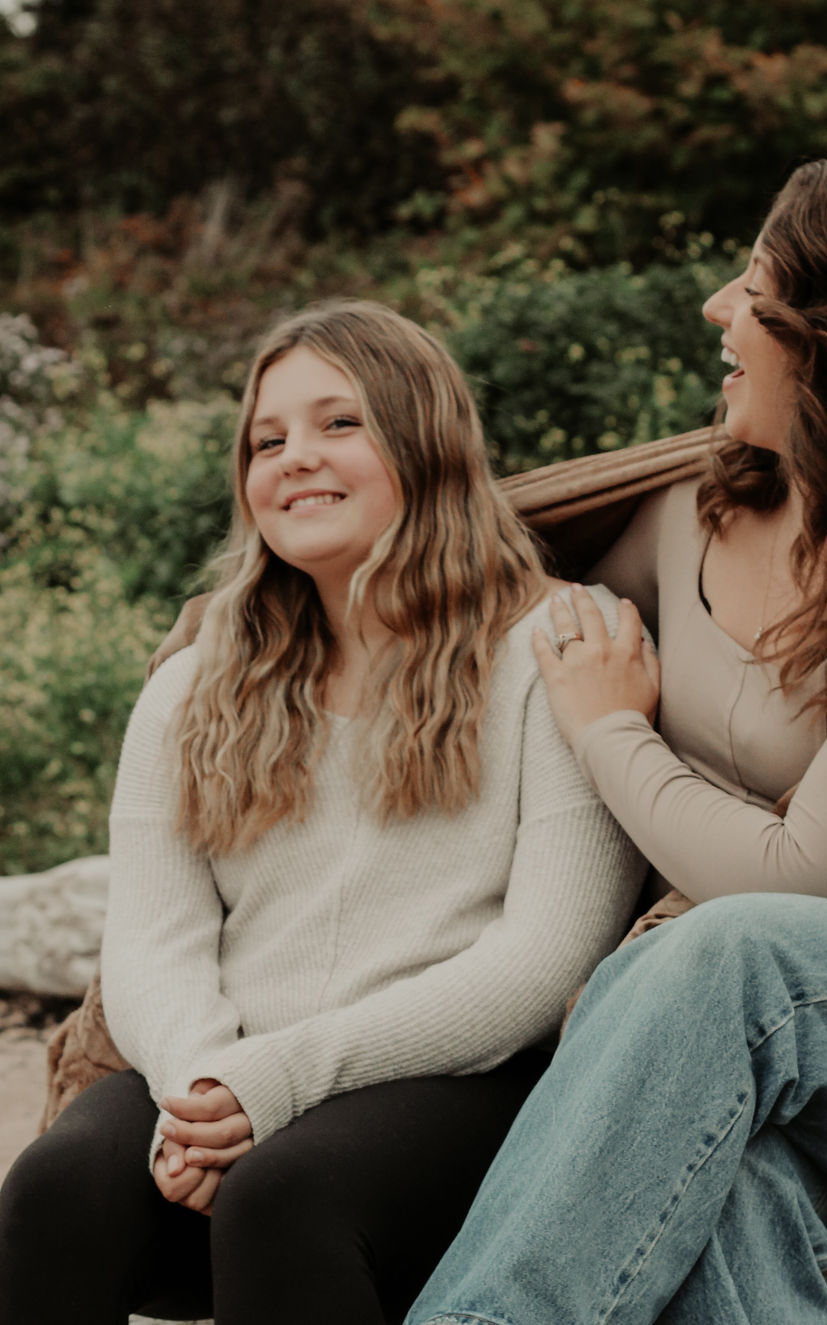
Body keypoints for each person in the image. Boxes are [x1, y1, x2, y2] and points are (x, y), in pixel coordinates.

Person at [404, 159, 827, 1325]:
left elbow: (805, 880)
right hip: (769, 1042)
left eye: (754, 283)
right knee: (712, 1191)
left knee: (727, 956)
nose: (715, 308)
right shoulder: (691, 509)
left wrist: (610, 729)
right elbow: (485, 623)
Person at [0, 299, 645, 1324]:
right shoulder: (193, 683)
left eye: (338, 423)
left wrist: (279, 1079)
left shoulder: (557, 649)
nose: (294, 456)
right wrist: (204, 1087)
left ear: (424, 440)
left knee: (284, 1191)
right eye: (267, 439)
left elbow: (543, 959)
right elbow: (152, 945)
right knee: (57, 1180)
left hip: (457, 1083)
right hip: (225, 1075)